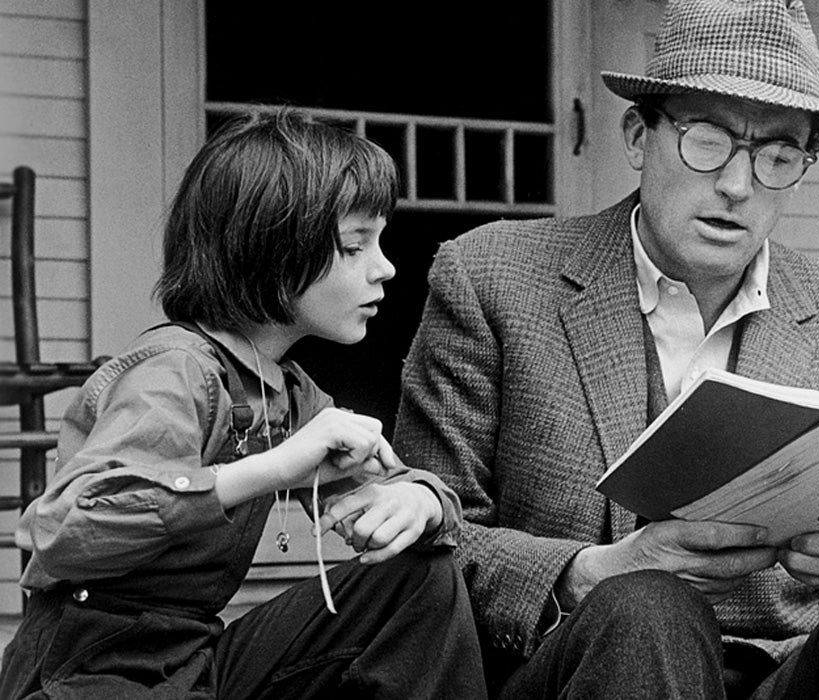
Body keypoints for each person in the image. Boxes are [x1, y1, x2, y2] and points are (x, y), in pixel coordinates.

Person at [392, 1, 819, 698]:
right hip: (590, 665)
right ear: (638, 135)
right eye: (707, 140)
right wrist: (587, 571)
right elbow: (428, 542)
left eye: (778, 155)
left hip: (790, 675)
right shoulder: (493, 279)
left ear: (805, 168)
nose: (737, 184)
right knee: (645, 609)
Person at [0, 110, 486, 699]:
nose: (385, 267)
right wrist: (274, 468)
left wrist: (419, 499)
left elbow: (383, 493)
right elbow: (63, 531)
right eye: (356, 245)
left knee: (418, 580)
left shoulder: (290, 394)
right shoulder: (174, 372)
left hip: (191, 665)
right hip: (88, 676)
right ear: (272, 250)